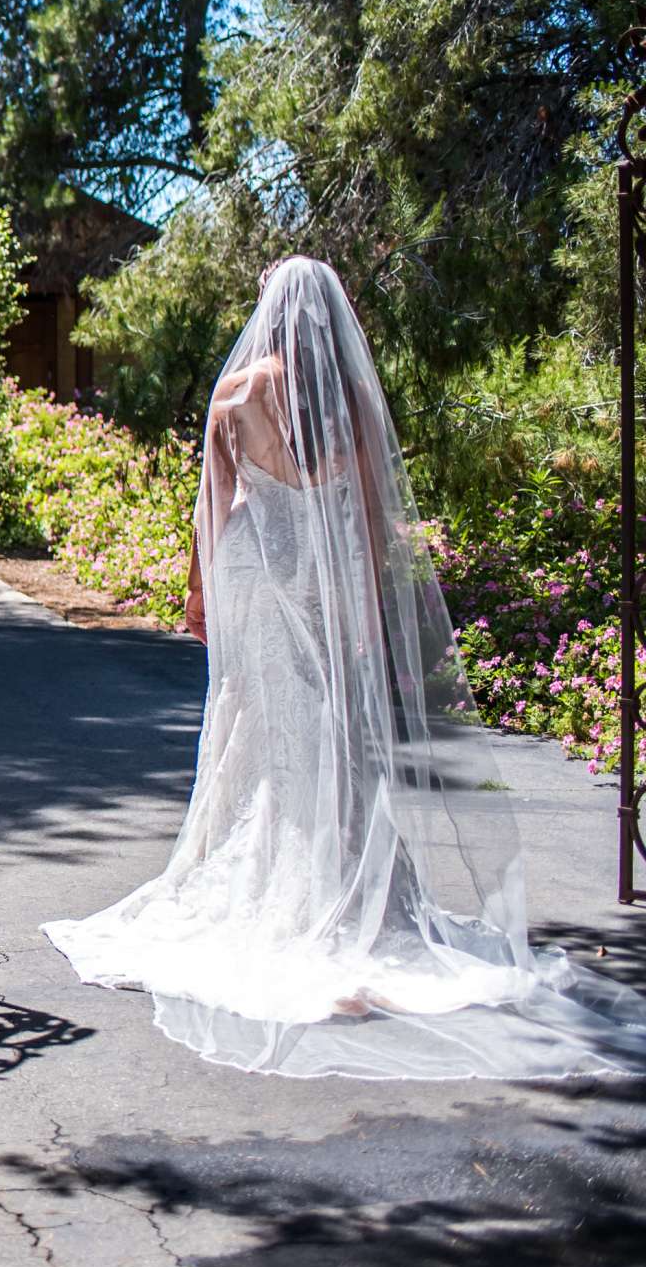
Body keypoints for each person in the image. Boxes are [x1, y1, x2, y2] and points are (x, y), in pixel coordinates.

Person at [45, 256, 646, 1079]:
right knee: (331, 735)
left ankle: (271, 888)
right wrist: (364, 616)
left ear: (271, 314)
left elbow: (212, 513)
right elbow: (369, 521)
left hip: (257, 580)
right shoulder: (350, 409)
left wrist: (200, 596)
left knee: (258, 733)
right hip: (322, 589)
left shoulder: (235, 397)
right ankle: (346, 893)